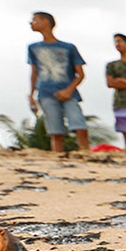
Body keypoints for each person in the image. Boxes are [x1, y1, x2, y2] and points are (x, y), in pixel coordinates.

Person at [28, 12, 89, 154]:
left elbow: (80, 74)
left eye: (34, 20)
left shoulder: (69, 48)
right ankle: (58, 158)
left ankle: (86, 153)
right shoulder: (33, 48)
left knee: (79, 125)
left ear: (45, 21)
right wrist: (32, 94)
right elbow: (34, 73)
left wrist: (69, 90)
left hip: (69, 93)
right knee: (55, 131)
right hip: (45, 92)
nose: (31, 23)